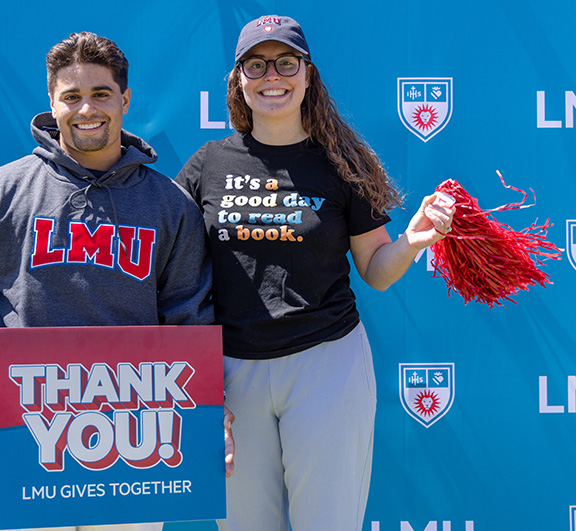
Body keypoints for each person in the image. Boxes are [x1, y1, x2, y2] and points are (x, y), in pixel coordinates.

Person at [0, 31, 234, 531]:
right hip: (23, 424)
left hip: (135, 432)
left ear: (125, 99)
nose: (86, 109)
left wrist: (202, 413)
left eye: (101, 94)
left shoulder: (169, 206)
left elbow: (188, 316)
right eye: (71, 96)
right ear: (52, 103)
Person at [176, 15, 455, 531]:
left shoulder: (342, 162)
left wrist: (415, 240)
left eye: (286, 62)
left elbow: (374, 269)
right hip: (230, 371)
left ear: (308, 75)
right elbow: (174, 273)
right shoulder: (206, 164)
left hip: (327, 362)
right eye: (255, 65)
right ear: (239, 78)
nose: (271, 76)